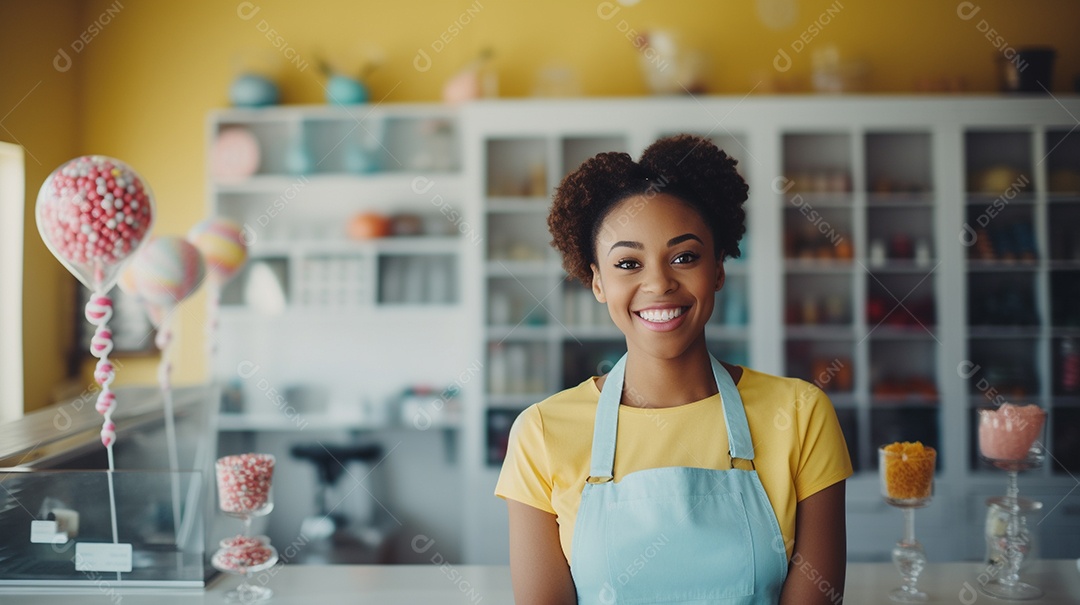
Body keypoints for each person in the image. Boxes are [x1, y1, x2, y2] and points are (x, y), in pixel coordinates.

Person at [495, 135, 852, 605]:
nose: (659, 282)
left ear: (719, 269)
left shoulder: (802, 414)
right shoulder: (541, 433)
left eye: (685, 257)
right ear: (597, 282)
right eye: (628, 263)